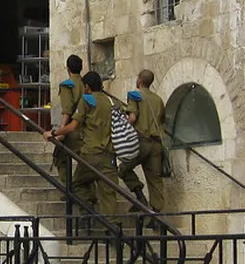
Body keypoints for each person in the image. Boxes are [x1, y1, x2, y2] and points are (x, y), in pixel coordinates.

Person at [45, 70, 124, 220]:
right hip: (109, 154)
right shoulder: (110, 101)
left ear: (87, 86)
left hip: (91, 153)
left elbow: (73, 126)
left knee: (76, 183)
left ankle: (87, 209)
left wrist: (54, 133)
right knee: (108, 193)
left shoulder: (87, 100)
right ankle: (113, 231)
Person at [119, 68, 167, 214]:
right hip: (156, 144)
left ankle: (139, 195)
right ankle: (156, 214)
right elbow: (162, 120)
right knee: (155, 179)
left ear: (139, 81)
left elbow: (132, 118)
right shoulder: (158, 99)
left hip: (141, 142)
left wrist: (122, 123)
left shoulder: (134, 95)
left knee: (123, 169)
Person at [49, 54, 88, 204]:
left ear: (68, 68)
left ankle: (70, 190)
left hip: (72, 128)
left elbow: (67, 110)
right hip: (85, 128)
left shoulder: (67, 85)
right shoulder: (86, 84)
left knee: (60, 160)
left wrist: (61, 131)